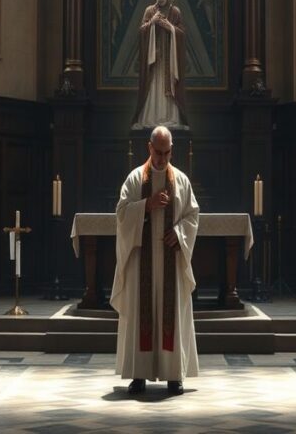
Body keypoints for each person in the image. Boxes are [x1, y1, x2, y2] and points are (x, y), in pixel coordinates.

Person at [112, 126, 199, 395]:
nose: (161, 159)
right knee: (143, 311)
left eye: (166, 153)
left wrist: (180, 233)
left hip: (171, 260)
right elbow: (121, 213)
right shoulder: (135, 179)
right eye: (157, 152)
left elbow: (193, 216)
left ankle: (174, 375)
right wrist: (146, 205)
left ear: (172, 150)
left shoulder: (181, 181)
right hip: (142, 261)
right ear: (149, 147)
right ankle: (139, 374)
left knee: (171, 311)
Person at [131, 0, 189, 130]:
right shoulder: (150, 11)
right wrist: (152, 23)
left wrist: (169, 27)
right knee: (154, 88)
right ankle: (152, 118)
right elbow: (141, 31)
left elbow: (182, 33)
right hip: (155, 60)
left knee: (168, 88)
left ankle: (171, 118)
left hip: (170, 61)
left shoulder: (175, 12)